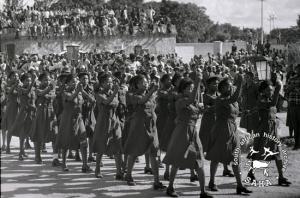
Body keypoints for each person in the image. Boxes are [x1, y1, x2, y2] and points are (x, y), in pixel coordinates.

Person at [163, 76, 212, 198]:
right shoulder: (180, 101)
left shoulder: (192, 102)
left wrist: (204, 110)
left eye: (192, 88)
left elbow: (195, 111)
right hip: (182, 133)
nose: (192, 90)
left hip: (193, 133)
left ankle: (202, 192)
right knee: (176, 161)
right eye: (190, 88)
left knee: (199, 161)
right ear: (183, 89)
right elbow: (190, 101)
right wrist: (197, 82)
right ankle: (170, 187)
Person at [205, 75, 252, 195]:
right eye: (228, 85)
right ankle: (211, 182)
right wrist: (240, 83)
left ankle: (239, 185)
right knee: (216, 156)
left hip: (232, 129)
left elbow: (236, 100)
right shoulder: (220, 99)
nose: (230, 86)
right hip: (221, 130)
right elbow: (235, 97)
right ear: (222, 89)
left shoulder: (233, 100)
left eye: (231, 84)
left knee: (236, 157)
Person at [124, 74, 165, 190]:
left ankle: (156, 181)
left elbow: (153, 107)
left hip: (151, 126)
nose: (146, 83)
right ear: (137, 85)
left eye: (146, 81)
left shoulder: (150, 95)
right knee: (134, 151)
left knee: (154, 152)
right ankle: (128, 175)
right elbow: (142, 101)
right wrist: (152, 90)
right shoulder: (132, 95)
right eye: (143, 82)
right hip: (139, 126)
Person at [247, 80, 291, 186]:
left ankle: (281, 177)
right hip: (263, 130)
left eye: (271, 90)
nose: (270, 91)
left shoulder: (270, 98)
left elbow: (280, 105)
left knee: (277, 153)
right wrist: (278, 88)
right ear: (262, 91)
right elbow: (272, 104)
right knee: (259, 152)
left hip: (273, 129)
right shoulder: (261, 100)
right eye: (268, 90)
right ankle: (250, 173)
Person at [56, 74, 92, 172]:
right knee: (66, 141)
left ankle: (85, 165)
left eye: (76, 81)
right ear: (67, 83)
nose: (75, 82)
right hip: (68, 119)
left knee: (84, 141)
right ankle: (63, 163)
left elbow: (91, 99)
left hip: (79, 118)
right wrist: (78, 91)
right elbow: (71, 98)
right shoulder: (65, 92)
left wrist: (82, 91)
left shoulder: (79, 92)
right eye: (73, 81)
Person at [93, 73, 123, 179]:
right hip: (104, 121)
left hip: (114, 120)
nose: (110, 84)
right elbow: (106, 102)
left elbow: (117, 104)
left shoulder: (113, 92)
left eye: (111, 81)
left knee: (117, 144)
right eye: (108, 82)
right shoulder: (99, 93)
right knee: (101, 145)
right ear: (102, 84)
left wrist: (115, 92)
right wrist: (115, 92)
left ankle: (119, 172)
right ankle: (97, 169)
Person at [31, 72, 57, 164]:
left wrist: (49, 92)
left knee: (55, 135)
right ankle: (37, 156)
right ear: (40, 81)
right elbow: (42, 94)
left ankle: (55, 158)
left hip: (51, 113)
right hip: (41, 113)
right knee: (39, 135)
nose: (48, 81)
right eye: (45, 79)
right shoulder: (37, 88)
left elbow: (53, 96)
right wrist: (49, 89)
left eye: (49, 79)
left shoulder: (51, 89)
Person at [8, 73, 36, 161]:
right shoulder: (21, 88)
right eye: (27, 80)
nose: (29, 81)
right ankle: (20, 152)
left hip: (31, 112)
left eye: (30, 80)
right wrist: (32, 83)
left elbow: (33, 100)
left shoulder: (32, 89)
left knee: (26, 133)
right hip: (23, 113)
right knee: (22, 133)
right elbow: (26, 92)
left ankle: (23, 151)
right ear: (23, 81)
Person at [3, 71, 19, 154]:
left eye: (16, 76)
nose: (15, 77)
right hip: (11, 108)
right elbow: (9, 92)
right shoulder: (7, 85)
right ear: (10, 77)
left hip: (18, 107)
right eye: (14, 76)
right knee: (10, 128)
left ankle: (22, 149)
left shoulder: (19, 85)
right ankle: (8, 146)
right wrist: (16, 85)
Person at [285, 64, 300, 150]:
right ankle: (296, 144)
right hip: (292, 104)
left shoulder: (292, 80)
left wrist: (292, 88)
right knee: (295, 125)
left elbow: (290, 89)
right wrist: (294, 87)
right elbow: (286, 90)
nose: (298, 71)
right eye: (297, 69)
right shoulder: (292, 78)